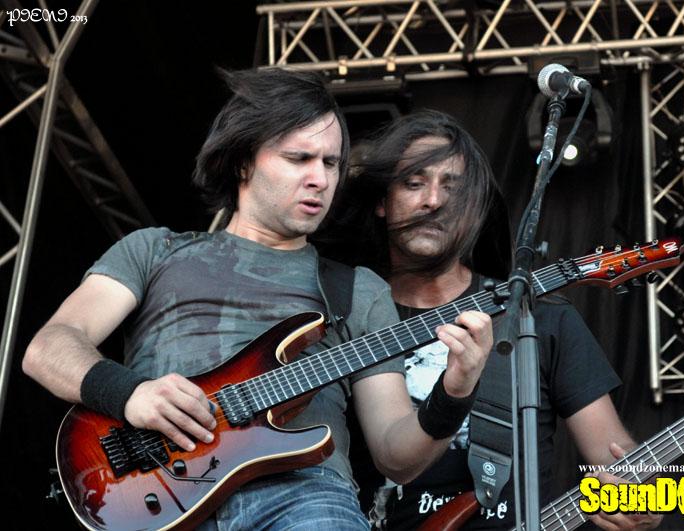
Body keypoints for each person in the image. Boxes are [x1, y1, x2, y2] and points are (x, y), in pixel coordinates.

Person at [21, 70, 494, 530]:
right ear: (243, 161)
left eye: (331, 163)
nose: (320, 179)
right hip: (157, 492)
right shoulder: (154, 251)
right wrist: (130, 394)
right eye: (299, 158)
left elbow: (396, 456)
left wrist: (454, 392)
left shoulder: (358, 289)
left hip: (305, 497)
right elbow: (49, 347)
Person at [323, 110, 662, 530]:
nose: (433, 201)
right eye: (413, 183)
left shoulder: (539, 318)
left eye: (453, 188)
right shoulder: (344, 318)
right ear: (381, 201)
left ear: (475, 210)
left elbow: (615, 453)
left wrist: (644, 496)